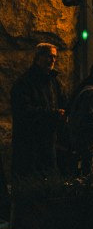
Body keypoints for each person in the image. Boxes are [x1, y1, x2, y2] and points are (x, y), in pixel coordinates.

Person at [11, 43, 66, 184]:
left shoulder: (54, 82)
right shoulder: (24, 83)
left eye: (54, 57)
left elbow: (63, 102)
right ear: (38, 58)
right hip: (30, 145)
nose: (53, 60)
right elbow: (24, 112)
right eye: (49, 56)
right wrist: (52, 114)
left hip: (49, 142)